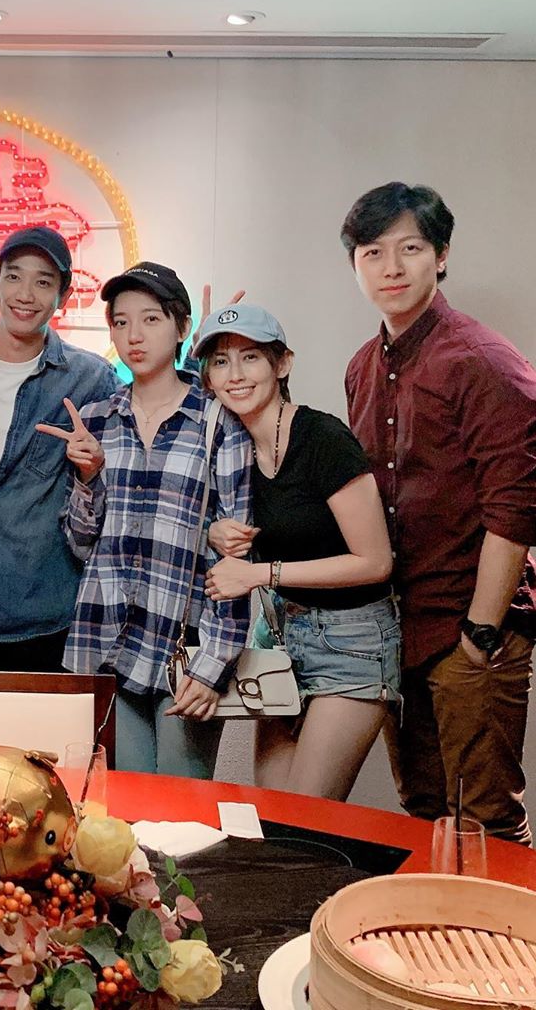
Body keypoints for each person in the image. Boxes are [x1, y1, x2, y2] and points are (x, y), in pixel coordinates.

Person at [341, 181, 536, 843]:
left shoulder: (482, 360)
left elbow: (516, 507)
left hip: (471, 626)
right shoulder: (363, 367)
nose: (391, 267)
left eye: (411, 248)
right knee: (425, 812)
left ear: (441, 255)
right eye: (373, 252)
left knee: (487, 823)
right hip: (402, 630)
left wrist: (482, 632)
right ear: (355, 264)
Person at [49, 262, 252, 776]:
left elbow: (236, 556)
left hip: (185, 647)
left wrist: (214, 663)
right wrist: (88, 477)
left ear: (182, 328)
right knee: (123, 806)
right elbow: (80, 543)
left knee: (183, 806)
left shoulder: (218, 420)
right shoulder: (95, 420)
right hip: (104, 640)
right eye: (120, 322)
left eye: (151, 319)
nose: (133, 335)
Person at [193, 303, 399, 801]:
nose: (235, 374)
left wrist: (260, 573)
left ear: (282, 364)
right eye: (220, 361)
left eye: (250, 357)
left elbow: (376, 562)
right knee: (276, 814)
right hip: (280, 638)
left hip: (351, 641)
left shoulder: (322, 438)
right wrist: (213, 530)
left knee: (307, 815)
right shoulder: (232, 449)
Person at [0, 227, 117, 672]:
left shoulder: (89, 379)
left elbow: (138, 446)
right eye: (14, 276)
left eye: (43, 282)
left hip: (34, 617)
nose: (25, 294)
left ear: (63, 297)